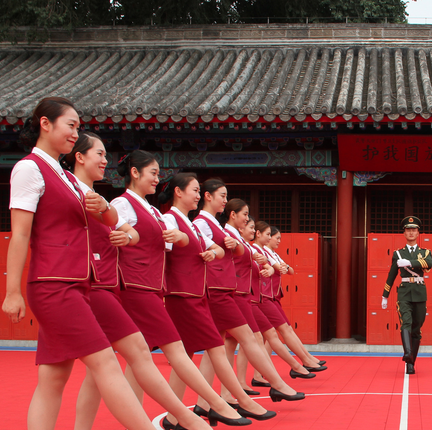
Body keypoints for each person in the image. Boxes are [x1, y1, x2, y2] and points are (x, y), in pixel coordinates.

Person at [2, 98, 156, 430]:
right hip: (54, 286)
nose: (76, 134)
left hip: (75, 284)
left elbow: (110, 219)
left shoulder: (66, 177)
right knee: (106, 364)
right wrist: (11, 291)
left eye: (78, 127)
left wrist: (103, 205)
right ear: (46, 124)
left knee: (53, 380)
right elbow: (20, 235)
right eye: (71, 126)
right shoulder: (30, 169)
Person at [65, 133, 212, 430]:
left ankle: (193, 414)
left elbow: (129, 233)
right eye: (154, 173)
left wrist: (131, 236)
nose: (105, 160)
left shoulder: (148, 210)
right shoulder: (110, 199)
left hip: (122, 287)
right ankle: (205, 412)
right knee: (163, 353)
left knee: (104, 369)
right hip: (121, 287)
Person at [110, 152, 249, 429]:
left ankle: (161, 417)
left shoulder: (151, 210)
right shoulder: (122, 204)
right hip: (139, 288)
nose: (157, 178)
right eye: (153, 172)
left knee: (129, 362)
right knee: (170, 352)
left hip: (154, 289)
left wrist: (193, 242)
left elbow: (177, 243)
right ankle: (214, 406)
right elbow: (124, 236)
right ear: (135, 173)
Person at [158, 174, 279, 426]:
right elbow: (165, 247)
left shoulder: (192, 222)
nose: (198, 194)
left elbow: (213, 249)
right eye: (195, 190)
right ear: (179, 192)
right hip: (187, 294)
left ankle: (184, 413)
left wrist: (214, 249)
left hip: (197, 292)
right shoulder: (175, 219)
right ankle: (228, 402)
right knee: (214, 346)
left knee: (187, 354)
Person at [190, 196, 304, 419]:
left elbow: (257, 259)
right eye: (246, 217)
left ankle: (209, 401)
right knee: (250, 338)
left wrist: (270, 267)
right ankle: (277, 382)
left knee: (220, 347)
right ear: (233, 215)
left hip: (234, 293)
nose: (249, 223)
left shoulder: (229, 234)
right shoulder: (213, 227)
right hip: (224, 292)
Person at [235, 220, 316, 391]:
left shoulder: (257, 250)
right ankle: (296, 365)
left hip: (258, 297)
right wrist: (273, 268)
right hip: (254, 298)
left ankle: (251, 380)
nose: (275, 239)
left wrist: (272, 268)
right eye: (270, 235)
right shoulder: (250, 248)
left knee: (256, 339)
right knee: (263, 336)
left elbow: (285, 269)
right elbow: (275, 267)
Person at [382, 216, 432, 374]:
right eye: (408, 230)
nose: (411, 232)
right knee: (406, 322)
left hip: (419, 292)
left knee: (416, 329)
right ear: (404, 233)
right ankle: (407, 354)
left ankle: (412, 362)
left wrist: (410, 263)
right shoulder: (398, 253)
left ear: (418, 233)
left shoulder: (425, 252)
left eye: (414, 230)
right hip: (404, 292)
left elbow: (429, 263)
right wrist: (385, 295)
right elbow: (392, 274)